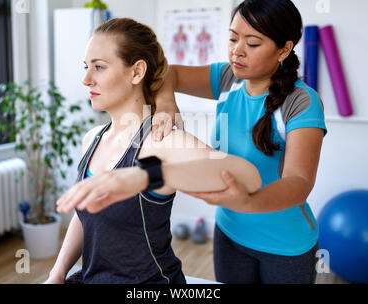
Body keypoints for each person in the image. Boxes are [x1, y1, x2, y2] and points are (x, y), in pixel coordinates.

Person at [48, 18, 261, 284]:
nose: (86, 79)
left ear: (136, 72)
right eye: (86, 67)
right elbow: (87, 215)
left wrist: (147, 175)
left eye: (99, 67)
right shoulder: (92, 139)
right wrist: (57, 274)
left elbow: (249, 177)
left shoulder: (160, 140)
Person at [151, 0, 327, 284]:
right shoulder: (227, 79)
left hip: (286, 245)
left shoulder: (301, 101)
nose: (237, 52)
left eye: (253, 43)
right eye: (233, 39)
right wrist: (167, 102)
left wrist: (245, 200)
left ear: (284, 50)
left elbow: (299, 182)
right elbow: (168, 73)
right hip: (229, 234)